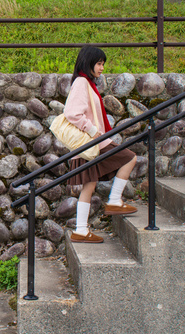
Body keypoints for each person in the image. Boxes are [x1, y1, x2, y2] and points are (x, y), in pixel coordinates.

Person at [63, 46, 137, 244]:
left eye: (103, 64)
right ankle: (114, 201)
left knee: (90, 185)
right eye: (99, 63)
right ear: (88, 63)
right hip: (94, 141)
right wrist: (92, 130)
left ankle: (80, 230)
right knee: (130, 157)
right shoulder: (81, 82)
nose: (102, 68)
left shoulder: (86, 83)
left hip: (93, 142)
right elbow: (71, 113)